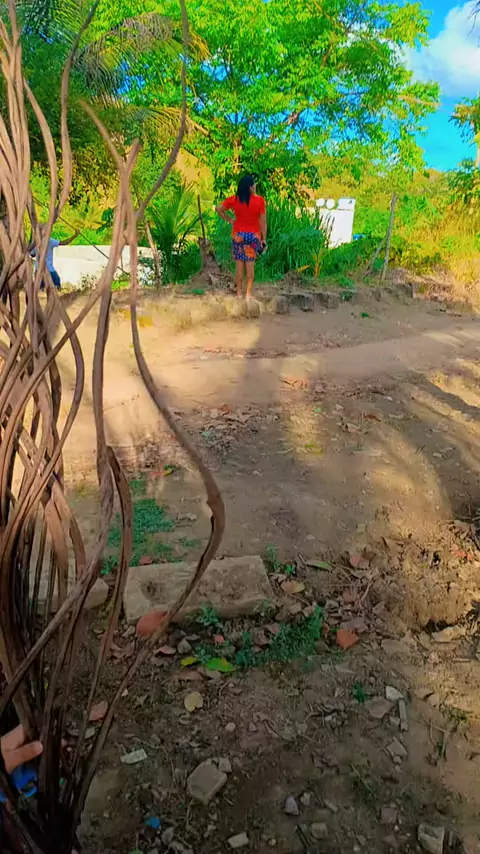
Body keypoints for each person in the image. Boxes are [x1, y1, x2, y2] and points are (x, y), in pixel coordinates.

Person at [216, 175, 267, 299]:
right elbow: (263, 222)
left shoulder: (235, 199)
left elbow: (218, 209)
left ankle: (239, 293)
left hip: (238, 235)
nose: (255, 186)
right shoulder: (259, 201)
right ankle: (248, 294)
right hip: (253, 237)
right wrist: (263, 239)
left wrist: (230, 220)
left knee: (239, 265)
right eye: (254, 184)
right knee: (250, 265)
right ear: (250, 187)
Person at [30, 224, 79, 290]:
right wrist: (75, 236)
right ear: (42, 231)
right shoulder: (49, 241)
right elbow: (64, 243)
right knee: (57, 284)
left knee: (40, 289)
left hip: (37, 269)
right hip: (49, 269)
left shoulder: (34, 242)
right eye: (46, 229)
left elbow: (32, 255)